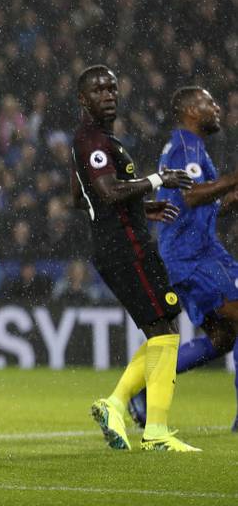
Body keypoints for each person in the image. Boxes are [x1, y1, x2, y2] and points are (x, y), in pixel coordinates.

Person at [70, 65, 197, 452]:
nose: (109, 94)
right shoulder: (93, 141)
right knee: (165, 331)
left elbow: (82, 197)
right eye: (99, 89)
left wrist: (144, 207)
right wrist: (159, 179)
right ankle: (154, 430)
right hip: (127, 247)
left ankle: (116, 405)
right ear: (83, 99)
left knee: (162, 330)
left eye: (112, 86)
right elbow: (106, 192)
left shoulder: (96, 140)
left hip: (119, 243)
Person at [128, 87, 238, 432]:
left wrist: (227, 198)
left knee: (223, 338)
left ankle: (142, 387)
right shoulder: (186, 146)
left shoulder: (190, 147)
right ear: (190, 110)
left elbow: (194, 202)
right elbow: (190, 196)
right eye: (209, 102)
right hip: (194, 255)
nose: (216, 107)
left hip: (193, 252)